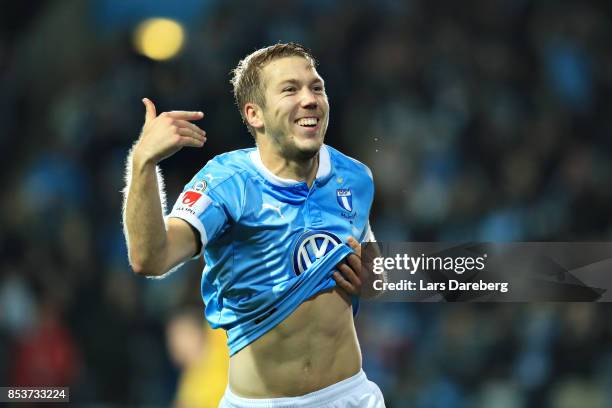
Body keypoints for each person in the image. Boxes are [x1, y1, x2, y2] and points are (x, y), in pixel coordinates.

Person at [123, 43, 385, 407]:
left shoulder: (355, 178)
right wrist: (143, 165)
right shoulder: (227, 183)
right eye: (290, 90)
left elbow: (374, 272)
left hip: (350, 396)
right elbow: (150, 259)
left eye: (317, 87)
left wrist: (370, 279)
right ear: (255, 114)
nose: (310, 99)